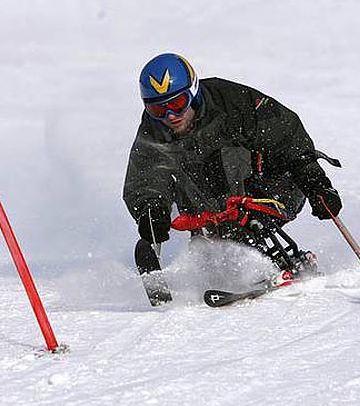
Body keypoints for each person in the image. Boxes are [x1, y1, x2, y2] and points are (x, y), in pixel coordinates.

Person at [123, 52, 342, 257]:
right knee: (175, 169)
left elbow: (285, 136)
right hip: (210, 215)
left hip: (269, 191)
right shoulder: (154, 131)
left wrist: (315, 182)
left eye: (178, 103)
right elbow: (147, 177)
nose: (170, 115)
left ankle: (256, 245)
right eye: (158, 110)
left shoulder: (232, 103)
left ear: (193, 91)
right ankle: (220, 259)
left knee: (227, 156)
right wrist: (152, 210)